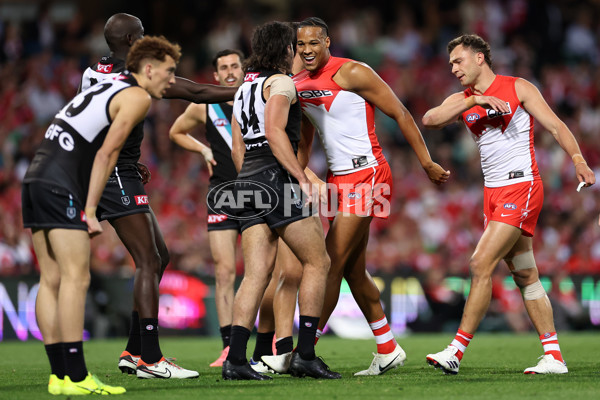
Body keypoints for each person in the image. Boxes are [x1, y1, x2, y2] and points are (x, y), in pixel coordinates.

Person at [422, 34, 595, 375]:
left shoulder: (518, 88)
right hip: (493, 194)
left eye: (459, 61)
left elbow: (556, 126)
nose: (454, 68)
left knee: (479, 263)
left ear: (479, 59)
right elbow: (430, 119)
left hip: (522, 185)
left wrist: (577, 159)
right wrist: (477, 101)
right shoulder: (464, 99)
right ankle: (554, 357)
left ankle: (456, 350)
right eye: (451, 64)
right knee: (526, 275)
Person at [78, 13, 235, 379]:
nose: (147, 39)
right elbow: (196, 92)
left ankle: (135, 351)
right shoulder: (134, 74)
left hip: (120, 168)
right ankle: (150, 356)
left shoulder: (92, 71)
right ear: (133, 38)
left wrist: (129, 161)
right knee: (148, 260)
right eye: (143, 35)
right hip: (114, 171)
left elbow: (93, 117)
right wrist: (248, 90)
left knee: (158, 256)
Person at [290, 17, 449, 376]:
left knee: (330, 261)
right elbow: (304, 140)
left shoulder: (353, 72)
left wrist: (425, 161)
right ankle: (388, 347)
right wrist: (299, 178)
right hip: (336, 181)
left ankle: (306, 350)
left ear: (328, 41)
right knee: (352, 269)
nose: (307, 50)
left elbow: (400, 112)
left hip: (369, 174)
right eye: (301, 45)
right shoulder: (297, 85)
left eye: (314, 42)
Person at [22, 35, 180, 395]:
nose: (171, 81)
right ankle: (77, 377)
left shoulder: (98, 82)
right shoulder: (136, 95)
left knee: (51, 279)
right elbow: (108, 153)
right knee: (76, 279)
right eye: (168, 72)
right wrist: (90, 208)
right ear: (149, 68)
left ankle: (59, 377)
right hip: (64, 181)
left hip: (36, 175)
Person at [221, 21, 340, 380]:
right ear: (285, 50)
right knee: (318, 261)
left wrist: (250, 183)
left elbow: (238, 146)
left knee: (256, 274)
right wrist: (300, 178)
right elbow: (275, 133)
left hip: (248, 179)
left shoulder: (243, 88)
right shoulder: (282, 83)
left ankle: (236, 361)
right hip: (277, 178)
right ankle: (304, 354)